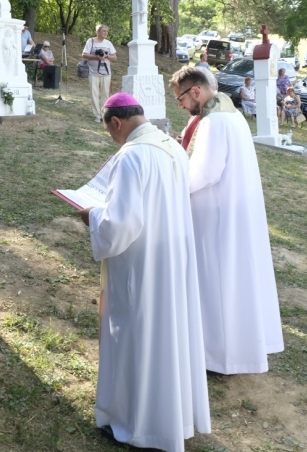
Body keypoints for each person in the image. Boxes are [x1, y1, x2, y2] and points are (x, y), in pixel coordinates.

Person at [79, 92, 211, 451]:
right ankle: (171, 419)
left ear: (117, 122)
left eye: (110, 131)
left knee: (137, 340)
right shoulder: (172, 147)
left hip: (142, 266)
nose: (112, 138)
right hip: (172, 259)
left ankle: (135, 425)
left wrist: (92, 216)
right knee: (169, 339)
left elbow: (120, 224)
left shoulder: (131, 155)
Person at [171, 67, 284, 376]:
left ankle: (219, 358)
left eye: (180, 98)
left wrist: (171, 184)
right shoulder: (231, 114)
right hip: (234, 209)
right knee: (234, 282)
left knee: (217, 284)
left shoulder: (214, 122)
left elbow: (204, 173)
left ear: (196, 91)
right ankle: (233, 351)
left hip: (216, 216)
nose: (180, 105)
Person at [82, 24, 118, 122]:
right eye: (104, 31)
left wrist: (107, 56)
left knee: (105, 94)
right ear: (97, 32)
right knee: (94, 94)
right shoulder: (91, 41)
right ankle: (97, 115)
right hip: (93, 73)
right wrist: (96, 57)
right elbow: (84, 55)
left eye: (107, 31)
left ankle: (104, 114)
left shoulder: (108, 43)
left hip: (106, 73)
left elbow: (115, 58)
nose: (106, 33)